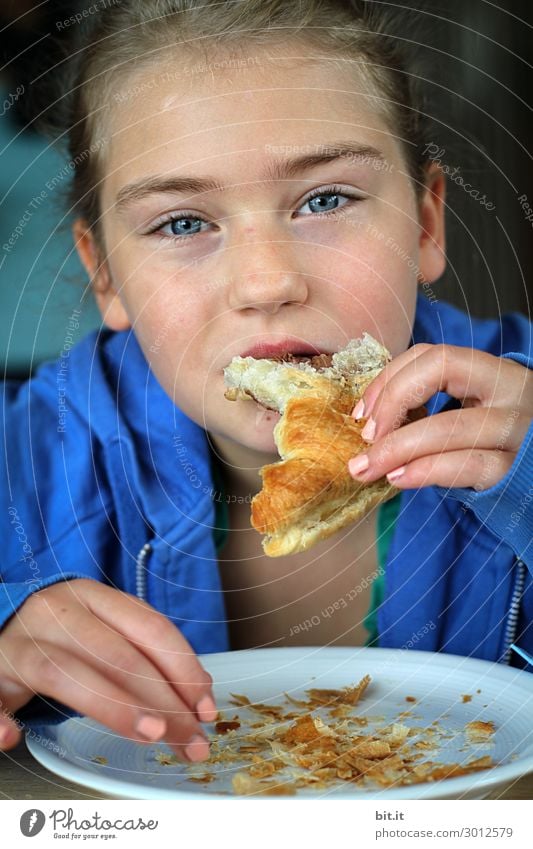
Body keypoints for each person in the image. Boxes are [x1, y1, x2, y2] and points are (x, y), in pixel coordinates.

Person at [0, 0, 531, 763]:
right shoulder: (31, 457)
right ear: (104, 273)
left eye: (325, 199)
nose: (266, 281)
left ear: (424, 224)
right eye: (183, 223)